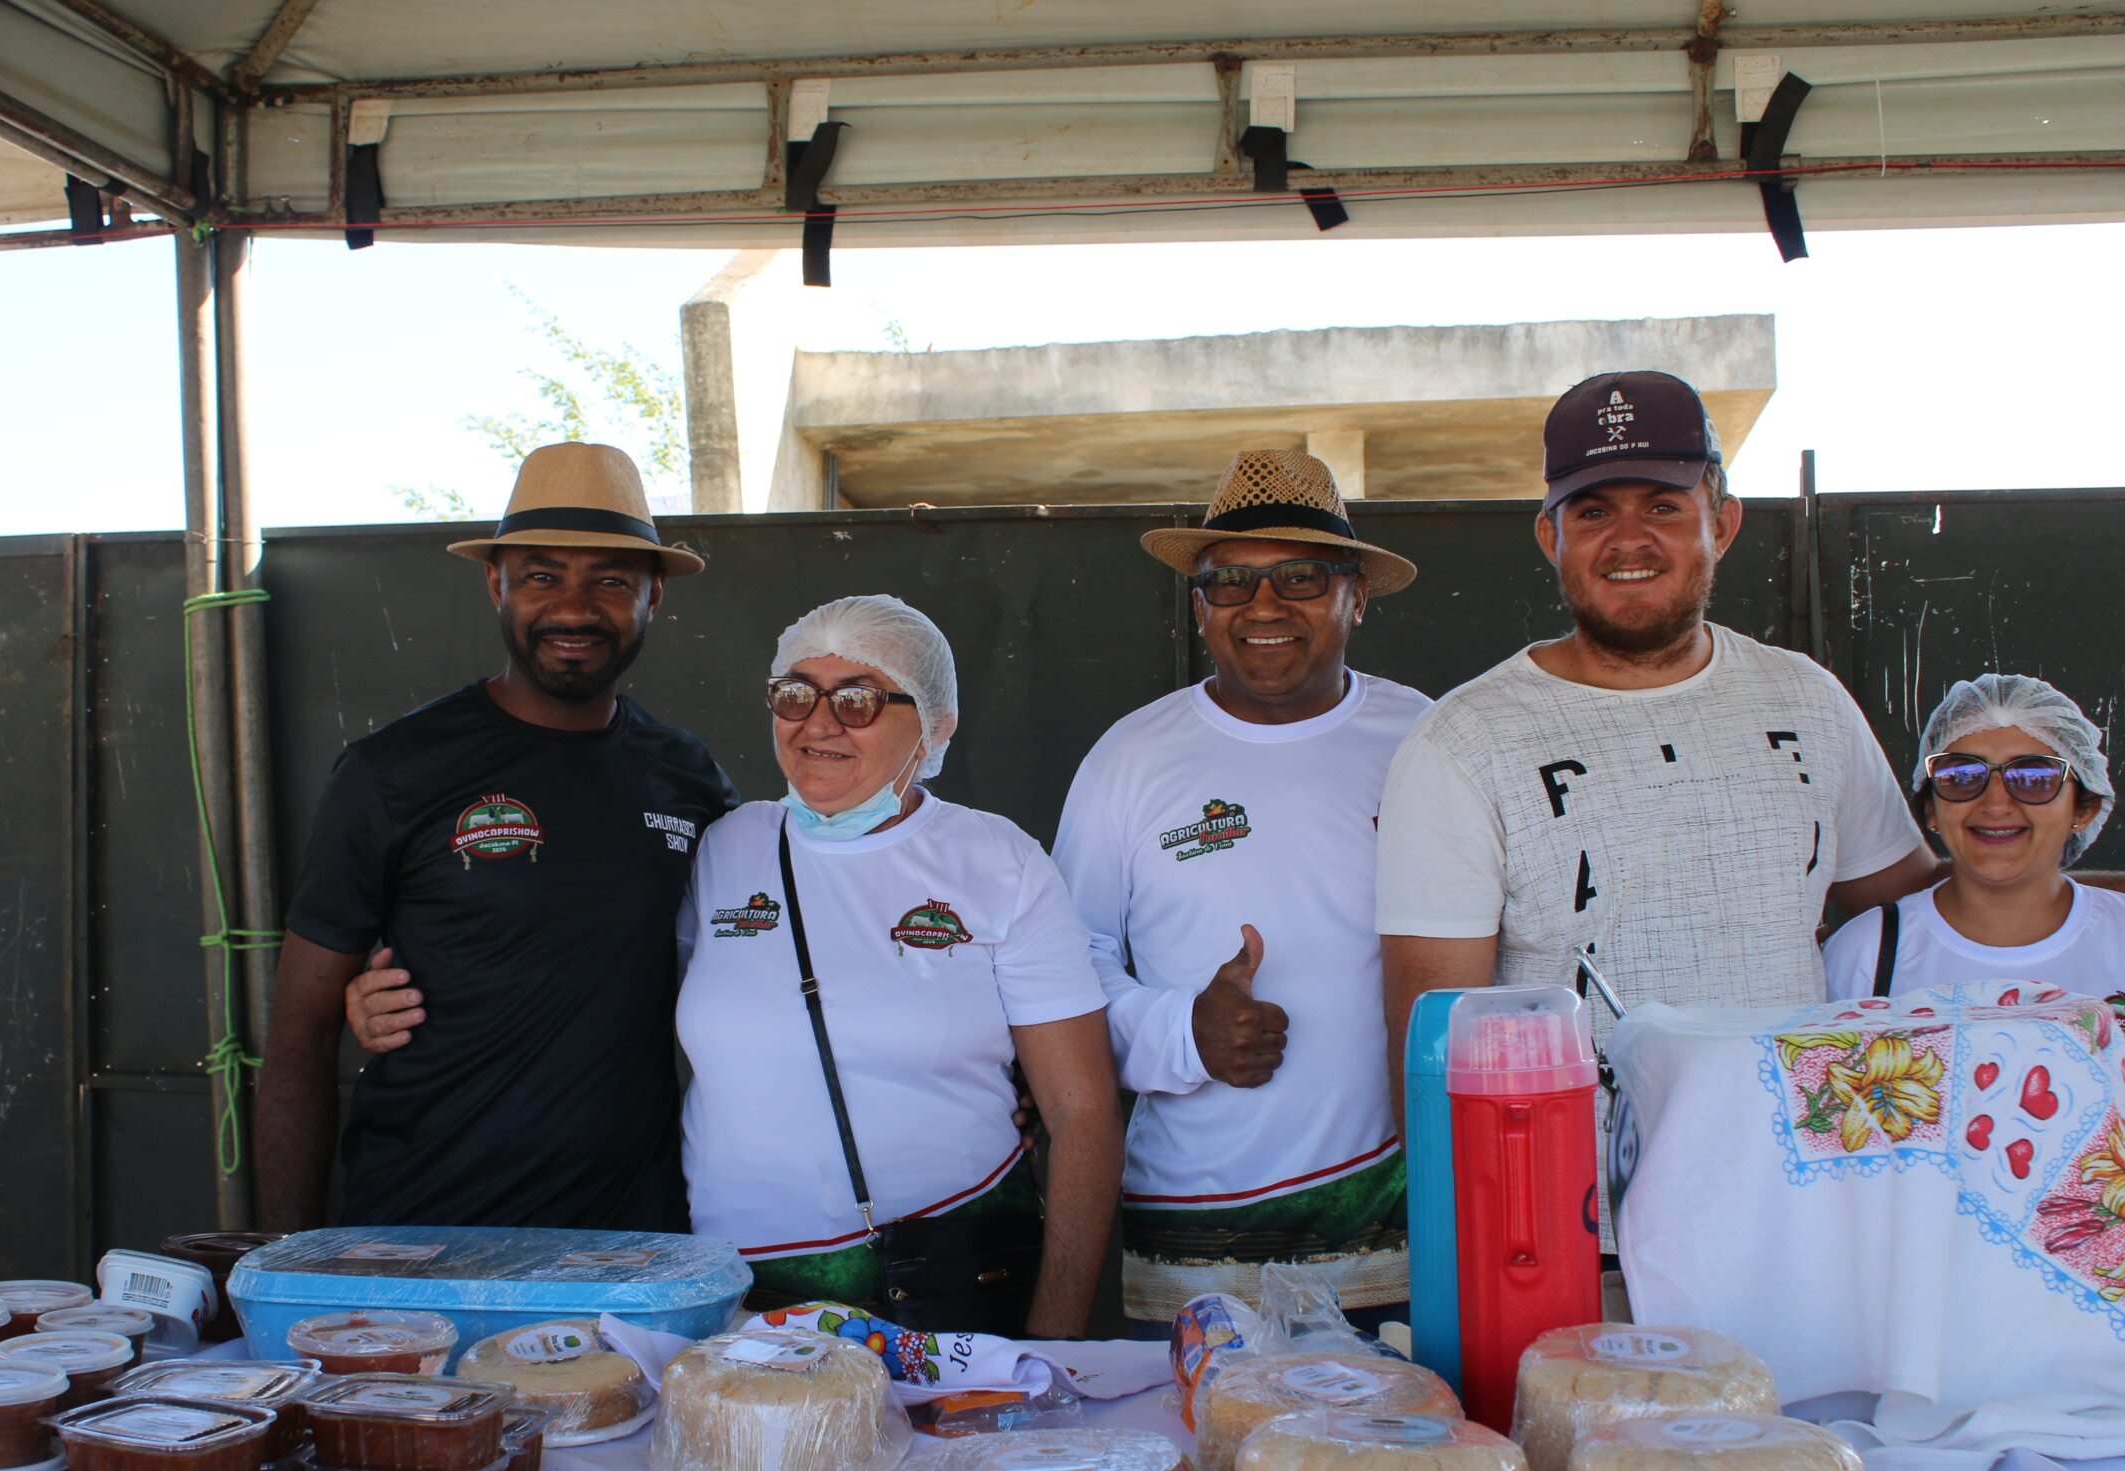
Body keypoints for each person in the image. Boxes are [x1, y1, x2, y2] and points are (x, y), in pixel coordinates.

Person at [1376, 370, 2125, 1231]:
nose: (1629, 539)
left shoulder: (1807, 700)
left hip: (1806, 1223)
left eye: (1664, 506)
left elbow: (1930, 902)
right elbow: (1434, 1048)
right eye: (1594, 511)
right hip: (1580, 1237)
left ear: (1722, 521)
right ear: (1550, 535)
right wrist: (1489, 1256)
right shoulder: (1464, 743)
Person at [254, 442, 735, 1233]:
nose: (574, 608)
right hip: (425, 1235)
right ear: (495, 583)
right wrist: (282, 1259)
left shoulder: (688, 778)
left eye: (611, 581)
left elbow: (776, 949)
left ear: (654, 595)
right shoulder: (390, 772)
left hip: (632, 1247)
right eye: (541, 575)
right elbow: (299, 1036)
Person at [1051, 449, 1428, 1336]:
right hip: (1196, 1236)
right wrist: (1182, 1031)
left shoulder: (1425, 737)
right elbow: (1060, 970)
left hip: (1399, 1226)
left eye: (1301, 576)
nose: (1263, 605)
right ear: (1200, 606)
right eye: (1230, 581)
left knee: (1404, 1431)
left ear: (1357, 597)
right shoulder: (1128, 759)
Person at [672, 596, 1123, 1336]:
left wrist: (1056, 1334)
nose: (820, 723)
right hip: (737, 1308)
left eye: (858, 700)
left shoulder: (998, 860)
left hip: (947, 1288)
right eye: (795, 694)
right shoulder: (723, 848)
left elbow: (1082, 1112)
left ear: (935, 727)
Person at [1820, 674, 2125, 1323]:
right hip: (1924, 1334)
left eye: (2033, 777)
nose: (1996, 801)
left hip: (2124, 1339)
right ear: (1930, 807)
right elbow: (1834, 1184)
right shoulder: (1864, 955)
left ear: (2084, 806)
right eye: (1961, 775)